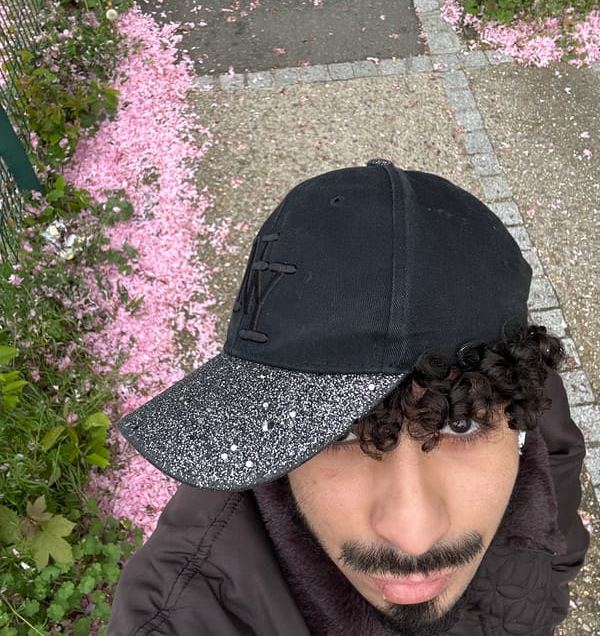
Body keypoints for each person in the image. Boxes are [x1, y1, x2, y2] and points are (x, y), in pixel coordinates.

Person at [108, 160, 589, 636]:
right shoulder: (181, 616)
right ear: (262, 424)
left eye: (457, 422)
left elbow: (554, 551)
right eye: (339, 430)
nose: (412, 535)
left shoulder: (529, 405)